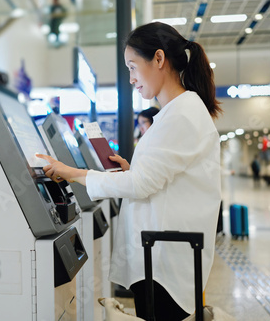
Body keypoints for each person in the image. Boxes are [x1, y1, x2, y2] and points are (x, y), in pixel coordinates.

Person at [37, 21, 222, 320]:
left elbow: (141, 185)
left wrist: (72, 173)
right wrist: (131, 168)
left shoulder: (182, 114)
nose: (132, 79)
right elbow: (158, 177)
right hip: (160, 256)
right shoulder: (176, 113)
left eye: (133, 67)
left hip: (164, 262)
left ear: (159, 59)